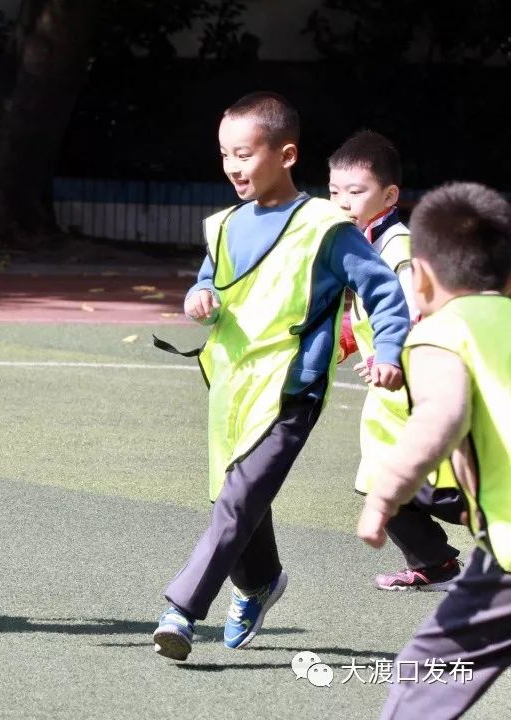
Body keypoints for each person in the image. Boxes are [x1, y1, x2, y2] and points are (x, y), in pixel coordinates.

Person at [151, 92, 411, 662]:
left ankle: (181, 612)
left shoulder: (326, 226)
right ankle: (261, 583)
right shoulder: (222, 226)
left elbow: (384, 290)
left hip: (293, 388)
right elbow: (208, 284)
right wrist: (200, 300)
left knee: (239, 498)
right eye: (224, 155)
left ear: (286, 153)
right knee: (236, 494)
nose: (233, 167)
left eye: (243, 153)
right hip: (231, 385)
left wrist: (389, 349)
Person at [356, 181, 511, 718]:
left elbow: (440, 417)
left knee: (427, 670)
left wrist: (383, 496)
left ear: (419, 279)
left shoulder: (443, 333)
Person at [328, 130, 463, 591]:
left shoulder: (396, 247)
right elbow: (367, 310)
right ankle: (436, 564)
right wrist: (346, 340)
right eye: (334, 191)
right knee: (380, 482)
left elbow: (408, 311)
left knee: (434, 487)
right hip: (390, 393)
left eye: (356, 191)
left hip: (414, 387)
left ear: (389, 195)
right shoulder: (362, 242)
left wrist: (393, 357)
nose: (343, 202)